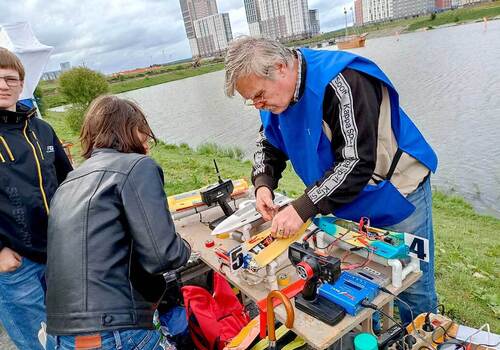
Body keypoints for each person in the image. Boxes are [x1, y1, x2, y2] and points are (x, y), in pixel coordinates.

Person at [224, 37, 438, 325]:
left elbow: (356, 162)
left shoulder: (343, 81)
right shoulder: (273, 94)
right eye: (252, 100)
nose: (258, 104)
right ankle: (377, 336)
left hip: (396, 191)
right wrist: (263, 183)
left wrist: (302, 208)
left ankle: (424, 335)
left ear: (280, 67)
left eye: (260, 96)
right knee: (359, 279)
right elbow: (268, 141)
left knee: (414, 285)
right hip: (342, 198)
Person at [46, 95, 191, 349]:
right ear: (131, 130)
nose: (147, 141)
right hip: (113, 331)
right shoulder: (137, 166)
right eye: (144, 133)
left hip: (60, 334)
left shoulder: (69, 181)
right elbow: (163, 256)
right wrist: (185, 246)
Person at [0, 47, 73, 349]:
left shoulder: (41, 129)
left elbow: (70, 182)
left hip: (59, 252)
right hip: (16, 262)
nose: (3, 85)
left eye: (10, 79)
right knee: (38, 340)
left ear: (21, 84)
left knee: (70, 332)